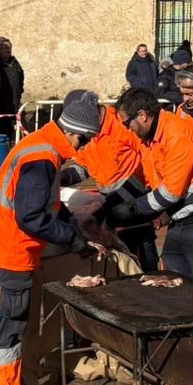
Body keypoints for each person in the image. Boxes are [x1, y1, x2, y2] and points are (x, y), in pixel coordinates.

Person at [0, 89, 105, 385]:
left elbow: (47, 206)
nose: (82, 148)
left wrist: (74, 229)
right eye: (84, 141)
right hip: (8, 256)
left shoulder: (41, 144)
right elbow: (31, 218)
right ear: (73, 132)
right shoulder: (42, 159)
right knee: (9, 327)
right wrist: (75, 242)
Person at [118, 87, 193, 289]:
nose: (128, 129)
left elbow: (170, 192)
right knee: (173, 273)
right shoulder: (149, 139)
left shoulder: (175, 134)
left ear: (143, 116)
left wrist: (132, 210)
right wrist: (114, 202)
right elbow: (146, 178)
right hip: (182, 217)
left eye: (128, 123)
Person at [68, 96, 161, 272]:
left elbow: (147, 157)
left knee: (143, 257)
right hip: (109, 203)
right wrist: (64, 176)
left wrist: (133, 191)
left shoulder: (122, 123)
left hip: (135, 198)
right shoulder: (90, 132)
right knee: (119, 257)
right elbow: (84, 164)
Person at [0, 38, 25, 140]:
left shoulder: (15, 62)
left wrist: (20, 89)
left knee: (13, 124)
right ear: (0, 50)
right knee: (1, 125)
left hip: (14, 100)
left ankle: (12, 141)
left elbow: (21, 76)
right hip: (1, 101)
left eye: (9, 49)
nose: (8, 52)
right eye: (5, 49)